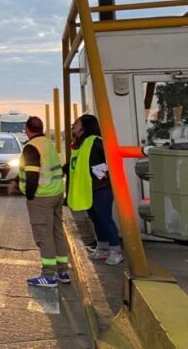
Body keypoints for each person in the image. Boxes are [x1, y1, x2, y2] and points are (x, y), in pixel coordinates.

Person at [19, 116, 69, 287]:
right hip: (56, 194)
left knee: (44, 235)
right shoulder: (47, 144)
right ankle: (63, 271)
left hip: (42, 196)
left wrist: (29, 195)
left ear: (27, 129)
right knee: (57, 232)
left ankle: (48, 275)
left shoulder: (31, 147)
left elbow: (32, 174)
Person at [68, 114, 123, 265]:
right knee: (96, 218)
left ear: (84, 126)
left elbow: (112, 159)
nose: (73, 125)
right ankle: (103, 248)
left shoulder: (97, 142)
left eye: (76, 123)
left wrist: (105, 173)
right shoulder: (79, 145)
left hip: (101, 188)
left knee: (104, 218)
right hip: (89, 188)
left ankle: (116, 250)